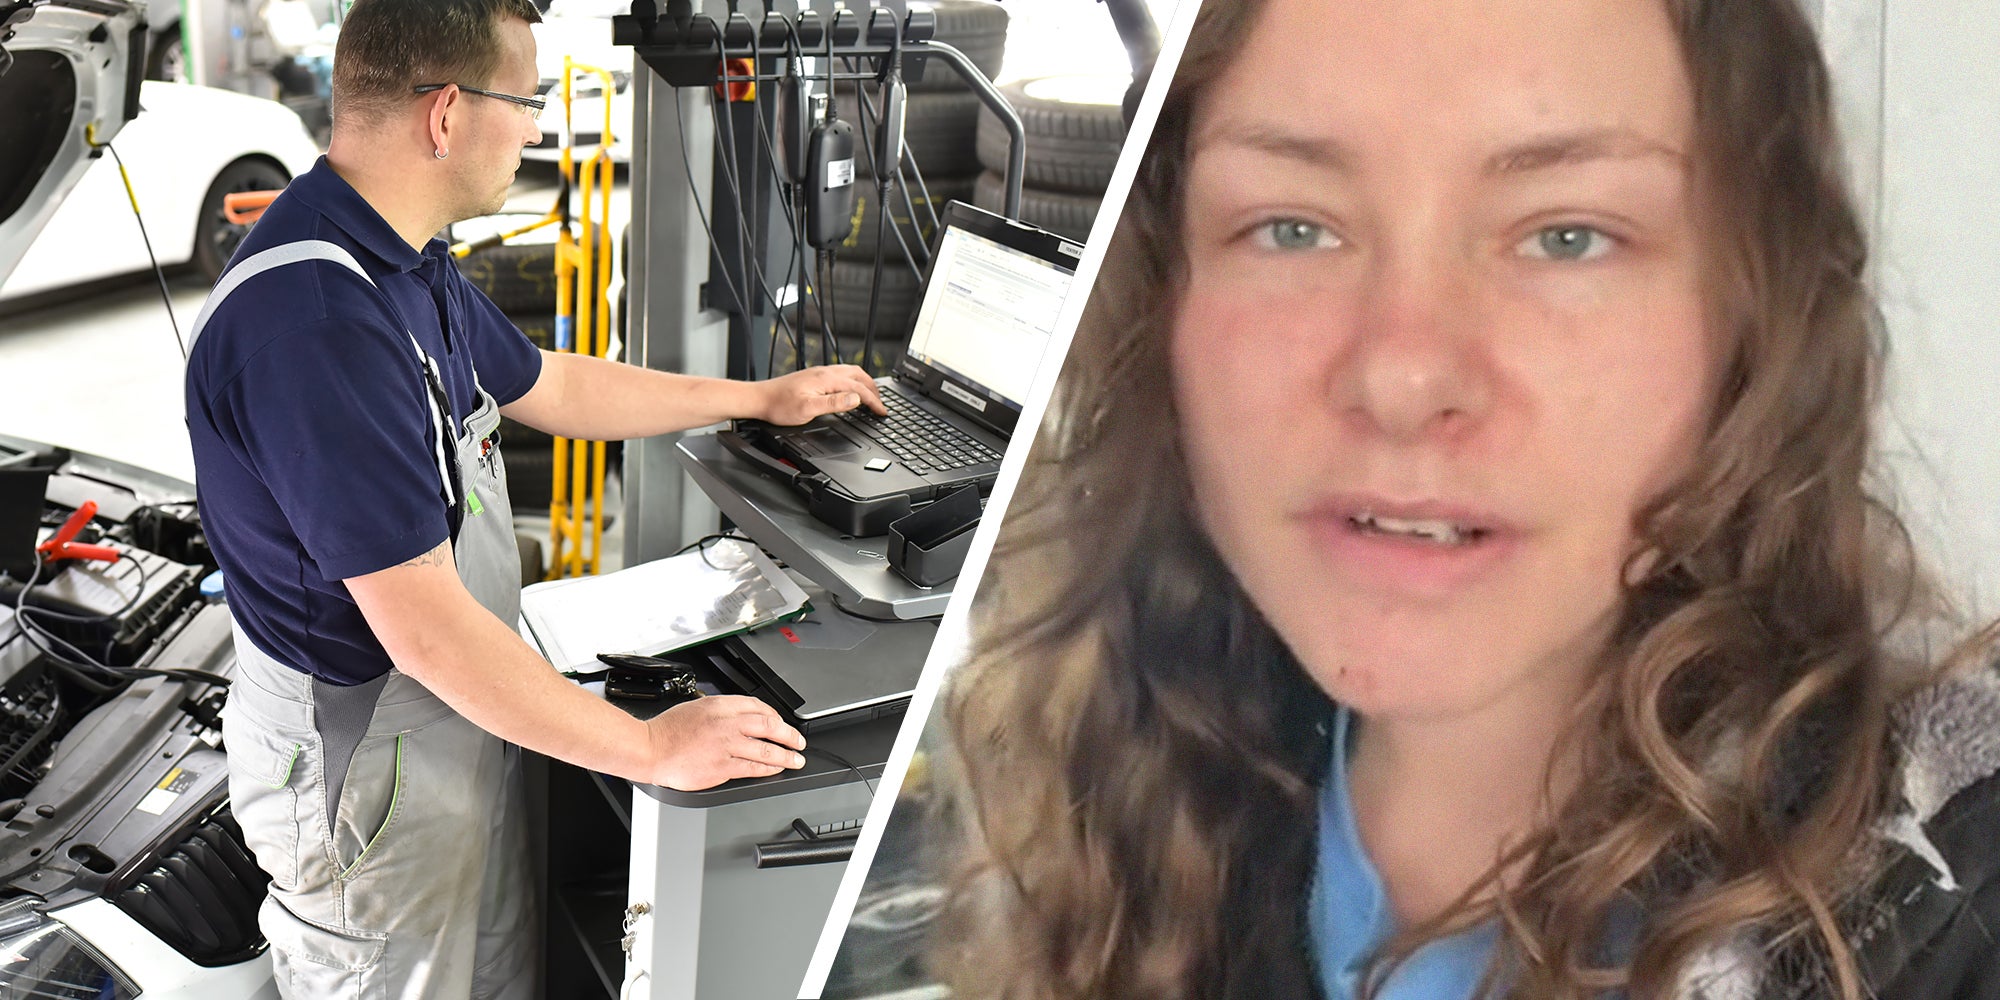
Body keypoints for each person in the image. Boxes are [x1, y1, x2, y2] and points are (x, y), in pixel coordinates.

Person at [929, 0, 2000, 998]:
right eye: (1293, 227)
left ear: (1754, 326)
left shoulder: (1951, 909)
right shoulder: (1101, 812)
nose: (1401, 377)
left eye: (1565, 236)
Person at [182, 0, 886, 994]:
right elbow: (426, 635)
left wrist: (758, 399)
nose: (534, 128)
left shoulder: (399, 255)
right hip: (371, 757)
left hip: (460, 711)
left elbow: (549, 384)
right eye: (526, 101)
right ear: (446, 115)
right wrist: (649, 745)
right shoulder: (318, 325)